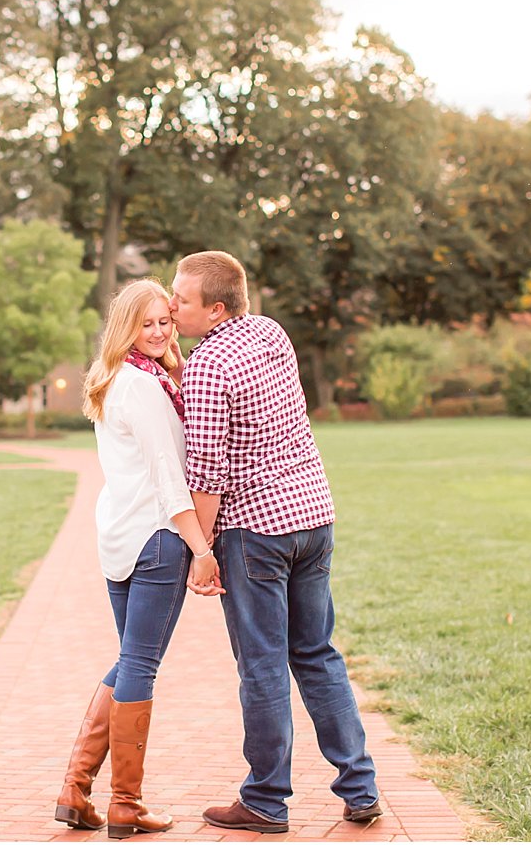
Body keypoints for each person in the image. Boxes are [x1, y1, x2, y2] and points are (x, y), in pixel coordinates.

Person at [171, 250, 382, 834]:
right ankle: (360, 786)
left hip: (256, 531)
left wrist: (202, 551)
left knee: (262, 666)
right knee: (316, 654)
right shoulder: (270, 331)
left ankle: (265, 800)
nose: (170, 305)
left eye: (181, 299)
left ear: (215, 309)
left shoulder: (210, 362)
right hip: (313, 517)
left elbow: (207, 473)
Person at [55, 278, 218, 840]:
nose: (157, 331)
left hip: (120, 539)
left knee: (131, 659)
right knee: (141, 665)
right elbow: (170, 479)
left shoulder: (122, 379)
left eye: (164, 322)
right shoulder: (146, 388)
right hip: (156, 539)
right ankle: (126, 804)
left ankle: (76, 790)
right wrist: (202, 549)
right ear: (126, 326)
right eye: (145, 323)